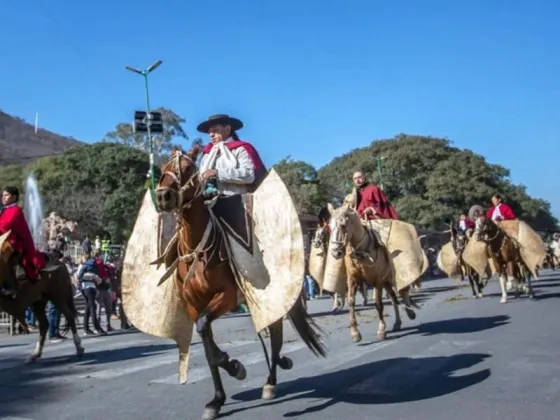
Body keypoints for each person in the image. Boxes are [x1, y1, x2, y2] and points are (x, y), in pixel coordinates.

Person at [197, 114, 267, 197]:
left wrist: (217, 173)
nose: (211, 135)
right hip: (207, 202)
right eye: (209, 132)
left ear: (227, 129)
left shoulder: (240, 149)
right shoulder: (207, 154)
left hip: (237, 202)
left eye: (215, 130)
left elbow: (249, 175)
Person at [0, 186, 47, 298]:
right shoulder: (3, 210)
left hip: (14, 242)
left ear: (14, 197)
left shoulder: (16, 210)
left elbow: (6, 225)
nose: (3, 197)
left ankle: (7, 286)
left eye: (6, 195)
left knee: (2, 256)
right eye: (3, 195)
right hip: (3, 240)